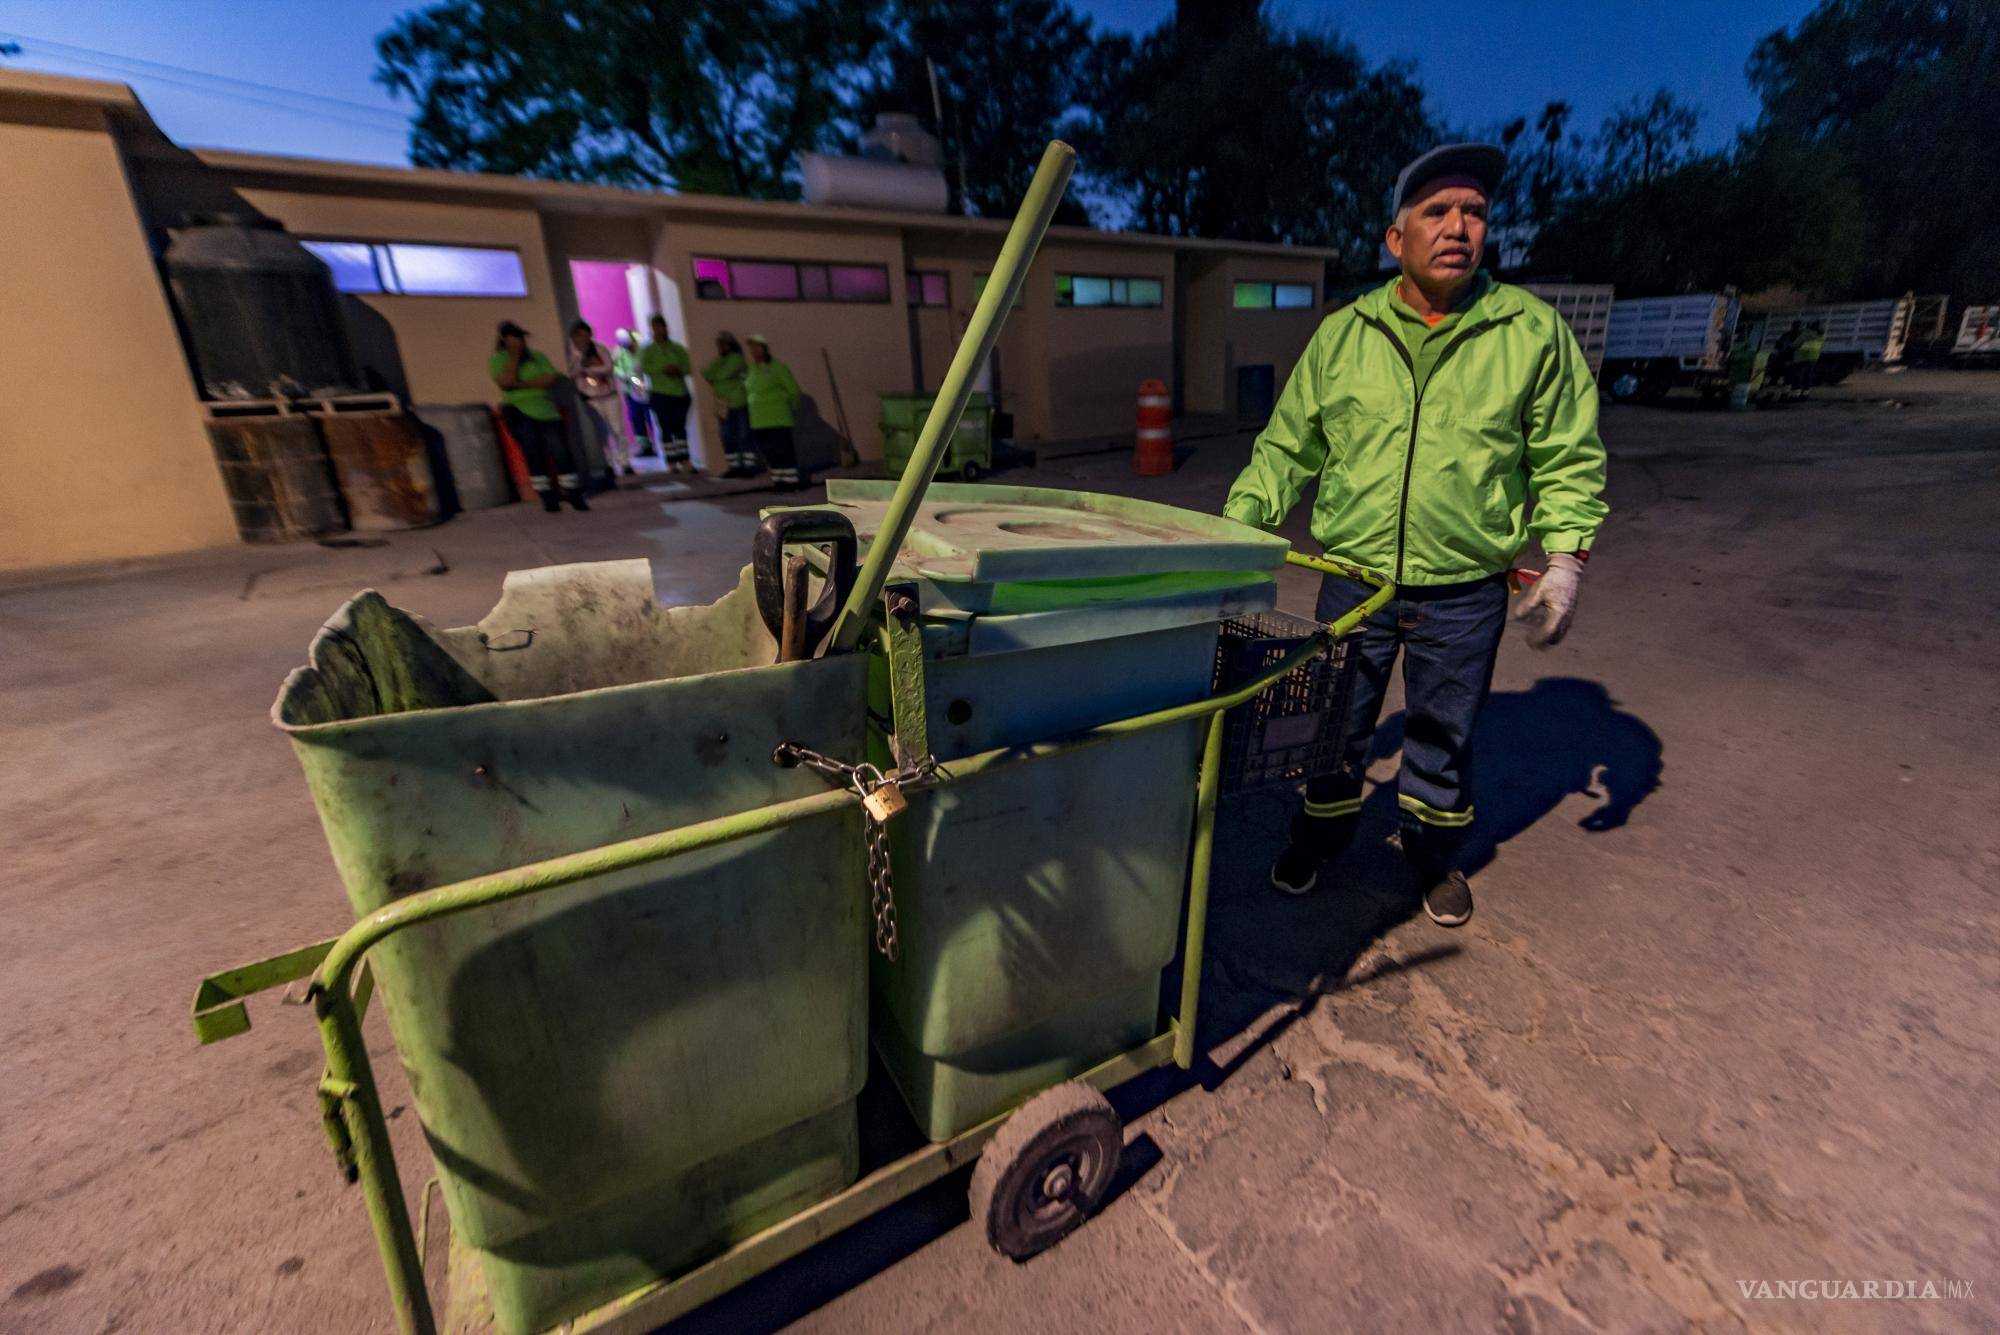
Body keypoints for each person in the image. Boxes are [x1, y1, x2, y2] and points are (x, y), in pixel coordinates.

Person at [1223, 143, 1608, 927]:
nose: (1458, 227)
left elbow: (1567, 453)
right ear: (1395, 239)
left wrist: (1565, 558)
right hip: (1355, 583)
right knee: (1329, 725)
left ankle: (1431, 857)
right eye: (1436, 211)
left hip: (1465, 593)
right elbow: (1287, 446)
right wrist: (1231, 535)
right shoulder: (1346, 335)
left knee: (1442, 736)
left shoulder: (1528, 332)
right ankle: (1319, 839)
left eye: (1473, 212)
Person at [488, 320, 586, 512]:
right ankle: (548, 498)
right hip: (519, 412)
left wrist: (521, 384)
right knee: (533, 452)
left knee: (561, 451)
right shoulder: (499, 359)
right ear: (505, 340)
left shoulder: (537, 357)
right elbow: (505, 381)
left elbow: (550, 378)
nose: (520, 342)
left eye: (521, 338)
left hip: (547, 411)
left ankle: (573, 493)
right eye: (515, 338)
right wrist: (514, 357)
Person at [566, 320, 634, 477]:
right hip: (590, 398)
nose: (583, 339)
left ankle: (625, 462)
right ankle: (608, 463)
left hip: (609, 395)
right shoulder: (571, 354)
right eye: (579, 335)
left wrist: (587, 369)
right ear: (573, 337)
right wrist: (581, 363)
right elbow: (571, 373)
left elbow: (608, 367)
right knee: (601, 432)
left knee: (617, 429)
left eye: (586, 335)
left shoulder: (600, 348)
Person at [743, 334, 805, 490]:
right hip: (758, 420)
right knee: (770, 453)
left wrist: (789, 409)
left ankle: (790, 482)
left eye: (757, 347)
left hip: (778, 418)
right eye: (752, 348)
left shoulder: (777, 368)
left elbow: (793, 391)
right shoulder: (751, 369)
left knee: (783, 451)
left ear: (765, 349)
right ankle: (779, 481)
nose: (754, 351)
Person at [642, 314, 693, 472]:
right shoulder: (648, 350)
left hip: (679, 393)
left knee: (680, 427)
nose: (658, 330)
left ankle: (685, 459)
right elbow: (643, 368)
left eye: (661, 326)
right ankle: (671, 461)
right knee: (666, 428)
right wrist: (661, 370)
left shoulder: (677, 349)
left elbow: (688, 367)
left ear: (665, 328)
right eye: (655, 327)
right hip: (659, 393)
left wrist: (677, 370)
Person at [702, 331, 757, 476]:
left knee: (744, 435)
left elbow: (721, 375)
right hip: (723, 405)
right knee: (726, 436)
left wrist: (715, 377)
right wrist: (715, 375)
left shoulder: (737, 359)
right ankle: (734, 466)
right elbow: (706, 373)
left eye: (723, 343)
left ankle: (748, 467)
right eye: (719, 344)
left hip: (738, 402)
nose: (720, 347)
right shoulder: (719, 360)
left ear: (730, 344)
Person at [613, 328, 658, 458]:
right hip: (629, 390)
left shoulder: (641, 350)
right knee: (635, 417)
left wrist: (637, 382)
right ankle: (644, 446)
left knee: (650, 416)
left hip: (643, 389)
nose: (627, 347)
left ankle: (657, 444)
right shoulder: (619, 352)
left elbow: (640, 371)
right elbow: (615, 367)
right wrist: (623, 375)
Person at [1790, 321, 1825, 394]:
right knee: (1808, 376)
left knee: (1798, 376)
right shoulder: (1821, 337)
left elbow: (1794, 345)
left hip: (1801, 358)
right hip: (1813, 358)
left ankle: (1796, 394)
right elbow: (1821, 347)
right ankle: (1806, 393)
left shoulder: (1805, 335)